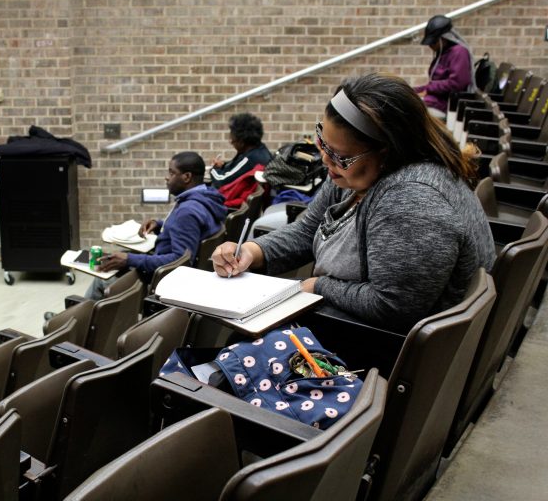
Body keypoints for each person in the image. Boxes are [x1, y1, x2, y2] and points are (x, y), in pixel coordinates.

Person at [212, 73, 496, 333]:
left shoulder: (413, 201)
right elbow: (307, 230)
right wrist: (252, 250)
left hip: (377, 351)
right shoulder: (351, 176)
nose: (325, 160)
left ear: (388, 152)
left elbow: (394, 307)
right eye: (323, 143)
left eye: (340, 155)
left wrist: (318, 286)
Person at [85, 151, 226, 300]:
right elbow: (190, 232)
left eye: (171, 173)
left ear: (187, 177)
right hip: (165, 268)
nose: (167, 177)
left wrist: (130, 260)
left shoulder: (187, 211)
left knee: (102, 278)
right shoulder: (205, 197)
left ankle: (79, 318)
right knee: (120, 255)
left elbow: (180, 260)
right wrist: (159, 225)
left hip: (162, 281)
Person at [414, 15, 475, 120]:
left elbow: (457, 84)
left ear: (444, 39)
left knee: (408, 111)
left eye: (433, 42)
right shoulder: (443, 53)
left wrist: (429, 88)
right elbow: (433, 84)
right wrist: (413, 90)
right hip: (433, 101)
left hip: (445, 106)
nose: (430, 46)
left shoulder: (459, 52)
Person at [210, 113, 273, 206]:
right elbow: (237, 168)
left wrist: (213, 169)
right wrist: (223, 165)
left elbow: (221, 181)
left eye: (233, 139)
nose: (231, 141)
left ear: (241, 142)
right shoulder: (260, 150)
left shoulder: (250, 159)